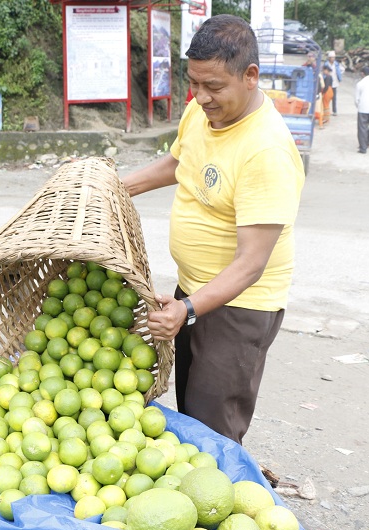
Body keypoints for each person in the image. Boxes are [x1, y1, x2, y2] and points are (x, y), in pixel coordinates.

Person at [122, 14, 305, 444]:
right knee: (190, 409)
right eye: (195, 83)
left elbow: (251, 264)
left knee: (212, 429)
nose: (201, 97)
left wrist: (187, 310)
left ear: (250, 76)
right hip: (195, 291)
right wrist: (113, 187)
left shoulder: (266, 151)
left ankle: (216, 503)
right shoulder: (201, 110)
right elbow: (177, 163)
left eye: (214, 87)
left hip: (242, 308)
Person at [325, 50, 343, 115]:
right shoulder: (326, 64)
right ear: (329, 58)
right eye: (331, 57)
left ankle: (334, 111)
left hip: (335, 82)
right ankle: (326, 110)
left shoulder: (336, 64)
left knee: (334, 97)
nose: (333, 59)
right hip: (328, 82)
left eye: (333, 57)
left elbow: (340, 70)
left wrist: (340, 78)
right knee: (327, 97)